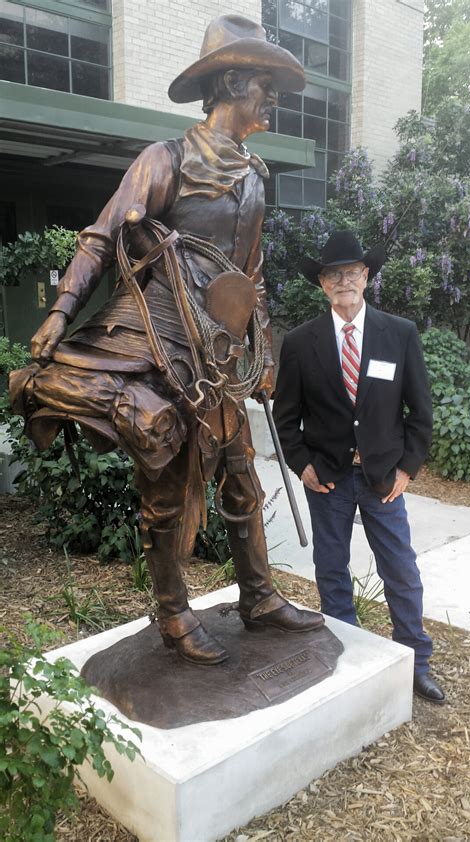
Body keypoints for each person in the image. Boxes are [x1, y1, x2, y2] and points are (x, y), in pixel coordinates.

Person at [10, 15, 324, 667]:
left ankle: (259, 597)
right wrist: (60, 312)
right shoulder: (166, 160)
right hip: (159, 344)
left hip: (222, 355)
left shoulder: (255, 176)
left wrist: (260, 348)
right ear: (235, 83)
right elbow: (100, 237)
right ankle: (174, 612)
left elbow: (252, 274)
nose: (272, 100)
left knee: (242, 477)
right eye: (265, 87)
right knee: (174, 483)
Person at [272, 230, 445, 704]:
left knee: (401, 571)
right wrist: (302, 464)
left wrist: (407, 470)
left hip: (383, 480)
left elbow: (420, 413)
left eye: (351, 271)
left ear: (365, 276)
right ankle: (346, 661)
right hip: (326, 480)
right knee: (331, 572)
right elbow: (285, 417)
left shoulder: (400, 334)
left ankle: (416, 661)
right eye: (333, 274)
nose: (343, 280)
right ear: (322, 284)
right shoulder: (301, 343)